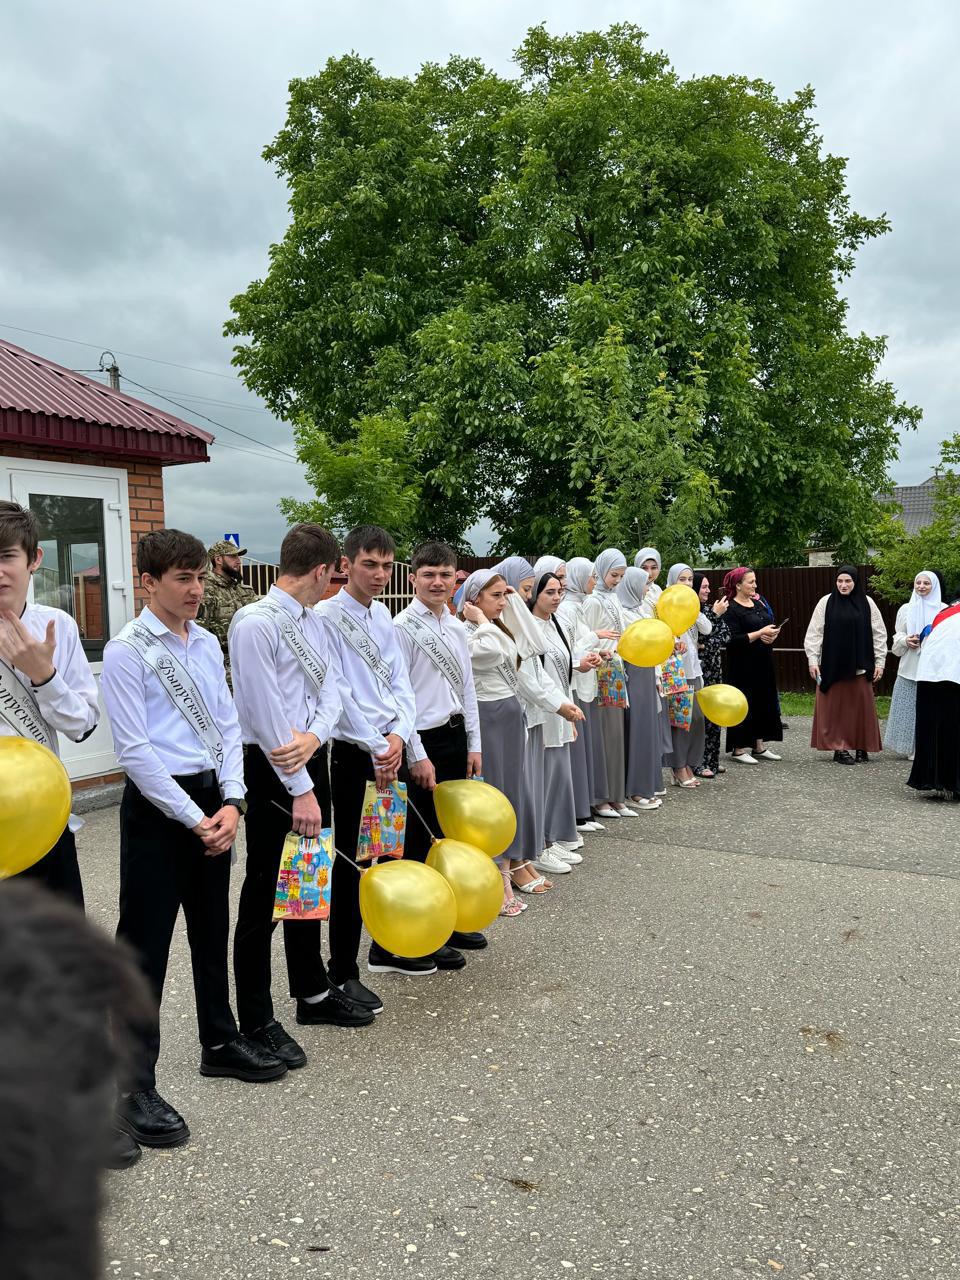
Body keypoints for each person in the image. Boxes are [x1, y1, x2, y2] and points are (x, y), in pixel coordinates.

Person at [103, 529, 286, 1155]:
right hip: (160, 810)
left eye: (200, 577)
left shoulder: (206, 642)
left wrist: (232, 800)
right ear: (148, 583)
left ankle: (220, 1041)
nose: (196, 589)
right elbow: (134, 750)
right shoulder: (128, 651)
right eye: (183, 578)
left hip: (213, 801)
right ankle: (133, 1087)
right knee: (145, 948)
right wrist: (193, 817)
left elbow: (228, 726)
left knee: (212, 929)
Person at [229, 523, 372, 1072]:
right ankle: (255, 1017)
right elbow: (264, 713)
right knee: (266, 894)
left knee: (307, 882)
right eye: (331, 574)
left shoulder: (315, 621)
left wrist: (315, 737)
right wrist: (301, 789)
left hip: (308, 756)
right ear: (320, 570)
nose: (331, 582)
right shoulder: (256, 623)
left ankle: (311, 993)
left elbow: (334, 689)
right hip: (275, 771)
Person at [316, 526, 418, 991]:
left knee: (388, 853)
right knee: (352, 865)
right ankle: (343, 969)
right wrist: (376, 745)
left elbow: (401, 686)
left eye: (386, 566)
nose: (379, 574)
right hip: (357, 755)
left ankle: (386, 944)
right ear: (346, 564)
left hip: (390, 751)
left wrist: (398, 736)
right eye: (369, 564)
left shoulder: (383, 616)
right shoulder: (326, 616)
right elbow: (337, 693)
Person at [0, 500, 99, 905]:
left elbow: (83, 726)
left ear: (34, 559)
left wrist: (44, 675)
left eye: (6, 556)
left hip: (43, 819)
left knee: (59, 940)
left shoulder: (57, 627)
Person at [392, 541, 486, 968]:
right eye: (428, 574)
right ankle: (417, 932)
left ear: (455, 579)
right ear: (413, 578)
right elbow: (400, 699)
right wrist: (416, 754)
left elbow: (467, 689)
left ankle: (447, 920)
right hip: (421, 742)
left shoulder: (457, 627)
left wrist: (474, 743)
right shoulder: (401, 627)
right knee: (420, 838)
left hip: (454, 736)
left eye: (445, 574)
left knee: (450, 836)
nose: (437, 582)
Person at [459, 569, 544, 908]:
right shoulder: (467, 631)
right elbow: (492, 654)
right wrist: (480, 618)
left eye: (504, 595)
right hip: (488, 717)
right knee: (492, 797)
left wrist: (508, 606)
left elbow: (534, 643)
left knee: (511, 794)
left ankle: (509, 869)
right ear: (473, 598)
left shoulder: (496, 627)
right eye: (495, 596)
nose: (503, 602)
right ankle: (497, 879)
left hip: (508, 716)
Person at [525, 570, 587, 866]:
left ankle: (550, 837)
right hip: (544, 712)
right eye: (549, 592)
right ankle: (541, 844)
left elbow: (562, 669)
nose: (556, 597)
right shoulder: (530, 627)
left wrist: (568, 710)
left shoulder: (556, 624)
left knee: (557, 777)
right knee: (544, 779)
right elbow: (536, 677)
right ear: (534, 595)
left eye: (559, 591)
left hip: (561, 707)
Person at [804, 566, 886, 764]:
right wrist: (813, 660)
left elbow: (879, 633)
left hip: (860, 665)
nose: (843, 585)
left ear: (855, 582)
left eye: (848, 581)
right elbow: (814, 633)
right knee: (835, 709)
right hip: (833, 665)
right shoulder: (826, 602)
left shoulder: (867, 603)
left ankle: (861, 746)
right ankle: (839, 748)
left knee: (861, 709)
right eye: (840, 581)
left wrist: (880, 662)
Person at [580, 548, 637, 818]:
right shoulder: (592, 601)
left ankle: (616, 794)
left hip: (615, 668)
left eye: (621, 576)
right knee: (604, 733)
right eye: (614, 575)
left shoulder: (614, 598)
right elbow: (587, 638)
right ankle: (601, 798)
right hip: (599, 668)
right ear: (601, 571)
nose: (617, 580)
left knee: (615, 733)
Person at [559, 558, 609, 833]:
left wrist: (596, 651)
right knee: (575, 749)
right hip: (573, 683)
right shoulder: (567, 607)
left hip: (583, 678)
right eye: (592, 576)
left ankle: (585, 807)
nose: (595, 581)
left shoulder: (577, 605)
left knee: (584, 748)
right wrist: (594, 638)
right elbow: (569, 648)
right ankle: (578, 812)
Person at [722, 567, 784, 764]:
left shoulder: (758, 602)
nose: (755, 585)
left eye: (755, 581)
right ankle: (738, 748)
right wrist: (760, 633)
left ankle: (759, 746)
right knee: (743, 703)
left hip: (763, 660)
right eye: (750, 582)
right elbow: (732, 639)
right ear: (738, 585)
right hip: (742, 665)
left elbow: (768, 625)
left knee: (762, 701)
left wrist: (772, 635)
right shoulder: (731, 608)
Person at [616, 566, 666, 808]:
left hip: (646, 672)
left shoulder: (640, 610)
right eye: (644, 584)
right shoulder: (623, 613)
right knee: (637, 727)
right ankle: (635, 789)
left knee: (647, 726)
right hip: (633, 673)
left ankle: (647, 782)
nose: (648, 589)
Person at [662, 564, 712, 787]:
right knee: (682, 719)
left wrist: (694, 608)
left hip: (693, 669)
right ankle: (678, 766)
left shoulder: (691, 606)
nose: (687, 584)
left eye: (690, 579)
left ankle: (689, 763)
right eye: (681, 579)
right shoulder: (664, 603)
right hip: (675, 670)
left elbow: (707, 628)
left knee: (697, 718)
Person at [907, 593, 960, 798]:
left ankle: (934, 780)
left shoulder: (945, 613)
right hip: (951, 675)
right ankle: (953, 783)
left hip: (929, 675)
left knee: (934, 728)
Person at [885, 571, 942, 758]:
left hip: (935, 669)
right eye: (918, 583)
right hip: (909, 667)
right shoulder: (906, 609)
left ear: (934, 586)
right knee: (908, 710)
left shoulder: (943, 610)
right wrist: (906, 640)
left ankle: (930, 747)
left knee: (932, 709)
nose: (921, 586)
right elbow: (898, 635)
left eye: (926, 583)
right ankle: (910, 747)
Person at [197, 539, 258, 683]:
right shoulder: (206, 590)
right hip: (222, 666)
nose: (238, 561)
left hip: (250, 660)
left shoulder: (244, 590)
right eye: (233, 556)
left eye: (238, 556)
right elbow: (199, 632)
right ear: (218, 560)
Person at [693, 573, 731, 778]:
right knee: (700, 719)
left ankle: (712, 761)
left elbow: (725, 636)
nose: (708, 590)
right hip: (699, 670)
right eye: (704, 587)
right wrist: (715, 617)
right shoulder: (692, 613)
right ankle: (698, 762)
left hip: (714, 669)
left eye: (708, 587)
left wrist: (705, 645)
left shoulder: (709, 609)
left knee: (714, 716)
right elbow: (700, 637)